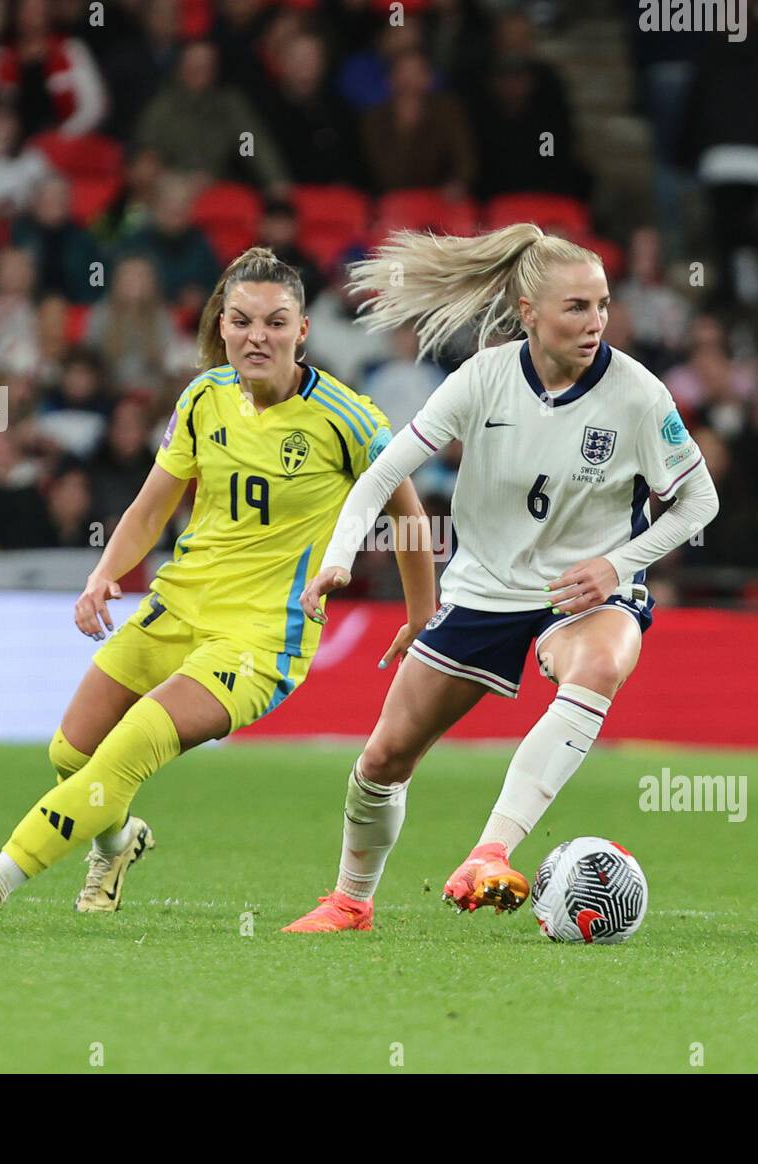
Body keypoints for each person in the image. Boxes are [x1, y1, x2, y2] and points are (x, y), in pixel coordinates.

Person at [0, 248, 436, 916]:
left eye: (274, 321)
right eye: (241, 320)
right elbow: (151, 507)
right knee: (71, 751)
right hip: (176, 606)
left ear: (302, 331)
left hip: (262, 636)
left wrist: (419, 611)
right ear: (223, 326)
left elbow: (407, 510)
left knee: (126, 751)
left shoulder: (348, 419)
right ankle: (116, 844)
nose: (256, 335)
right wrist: (102, 575)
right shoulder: (203, 399)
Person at [282, 224, 719, 934]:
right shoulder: (483, 379)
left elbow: (701, 501)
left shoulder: (638, 394)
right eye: (576, 307)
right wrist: (338, 557)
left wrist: (619, 563)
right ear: (528, 311)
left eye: (603, 305)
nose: (596, 322)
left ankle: (491, 850)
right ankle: (350, 902)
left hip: (586, 590)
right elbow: (384, 474)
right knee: (383, 758)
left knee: (601, 660)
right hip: (485, 590)